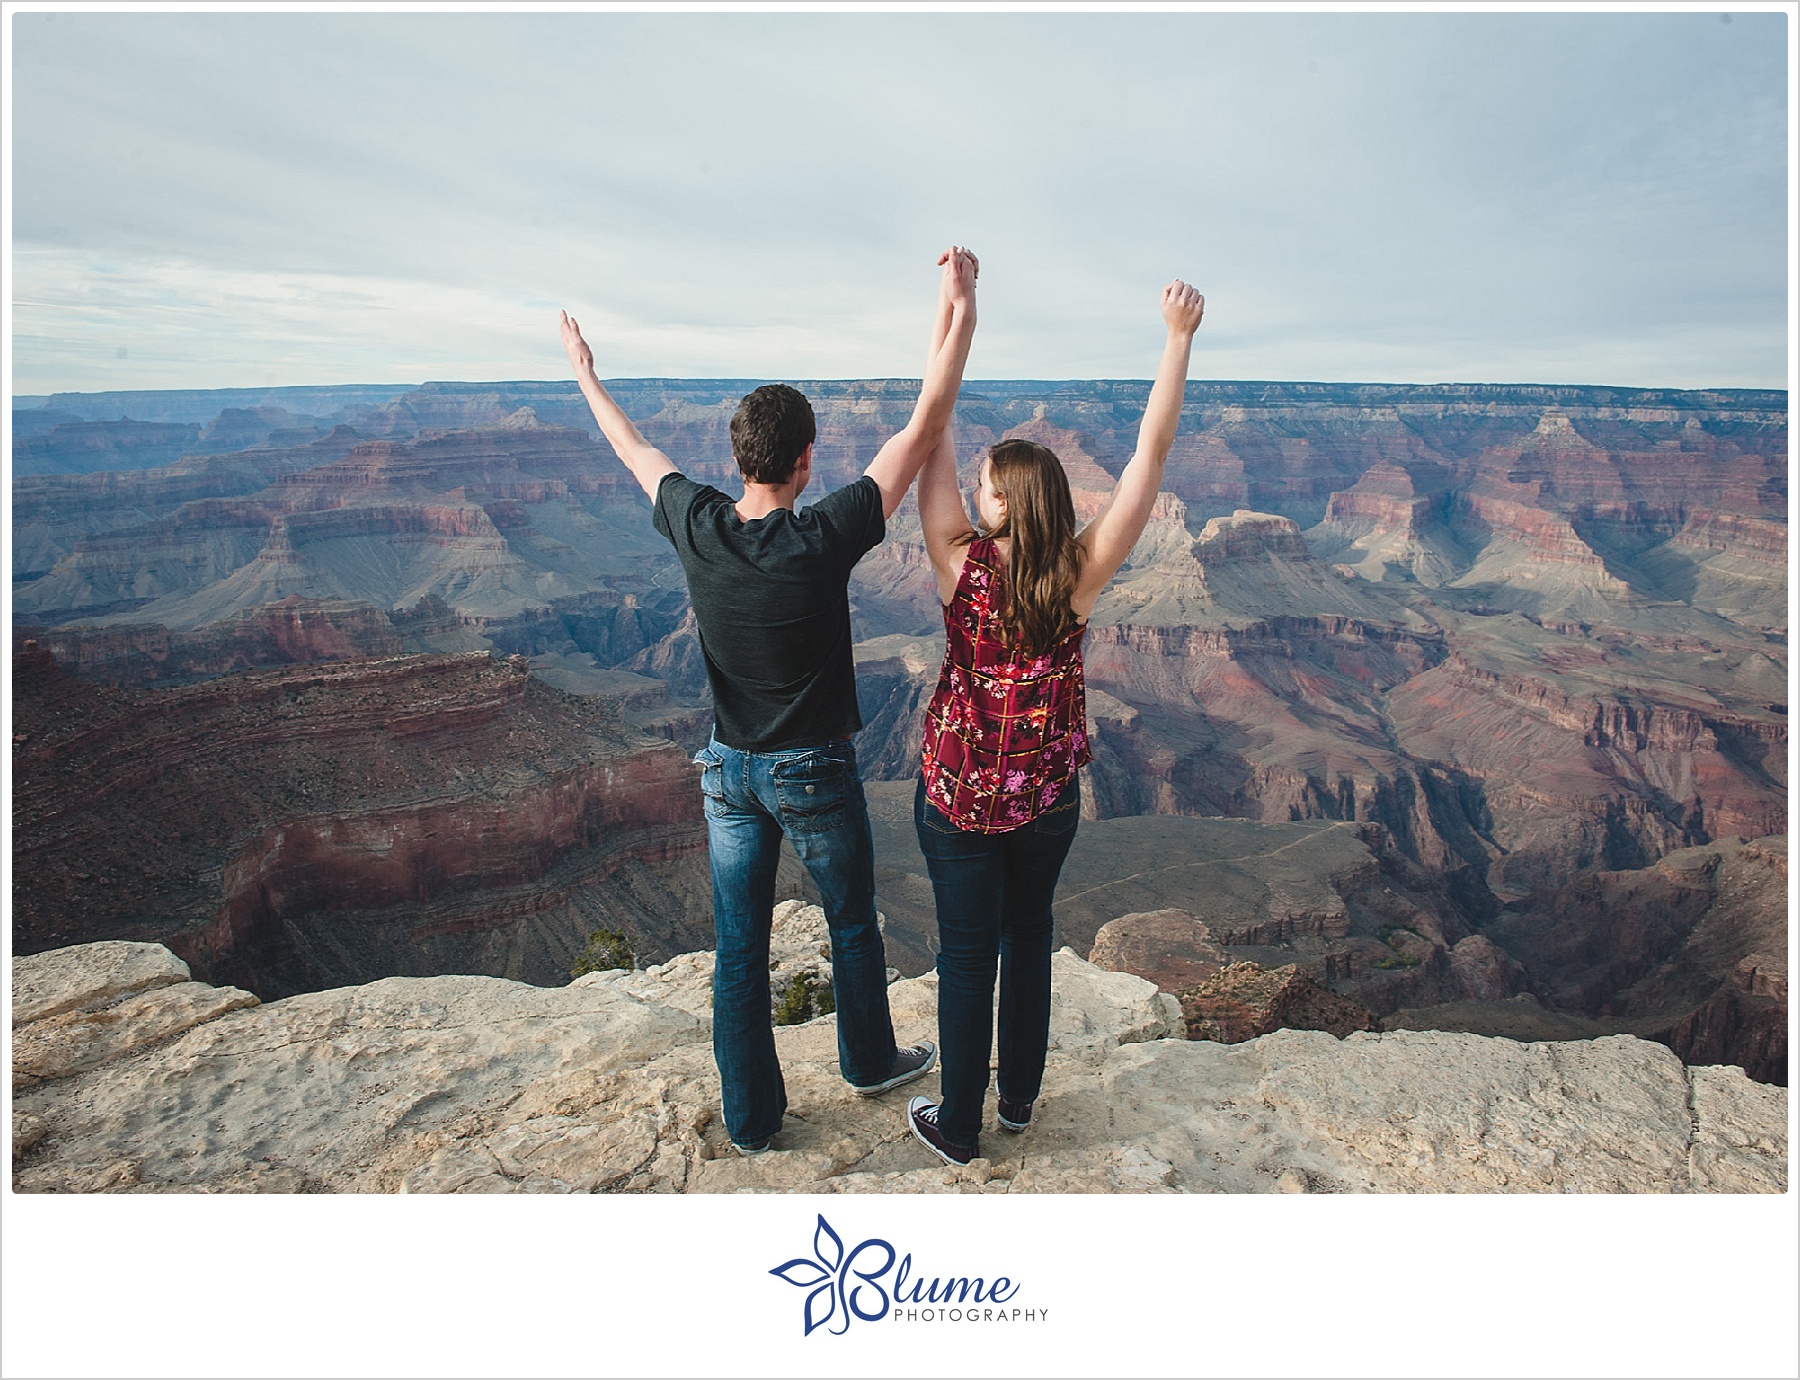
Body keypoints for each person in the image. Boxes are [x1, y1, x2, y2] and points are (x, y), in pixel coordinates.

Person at [558, 247, 980, 1154]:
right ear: (804, 459)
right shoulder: (823, 535)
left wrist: (586, 377)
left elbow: (635, 449)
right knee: (853, 922)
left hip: (727, 776)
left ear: (739, 458)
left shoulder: (698, 524)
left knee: (738, 953)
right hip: (813, 768)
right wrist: (960, 312)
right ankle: (868, 1062)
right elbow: (923, 424)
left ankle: (752, 1119)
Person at [904, 276, 1206, 1166]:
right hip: (1045, 799)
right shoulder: (1079, 574)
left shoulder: (959, 567)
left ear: (1000, 504)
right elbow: (1150, 459)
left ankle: (959, 1128)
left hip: (957, 796)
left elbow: (930, 434)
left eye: (983, 486)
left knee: (967, 960)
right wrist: (1176, 338)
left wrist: (952, 319)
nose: (971, 488)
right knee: (1028, 935)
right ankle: (1021, 1103)